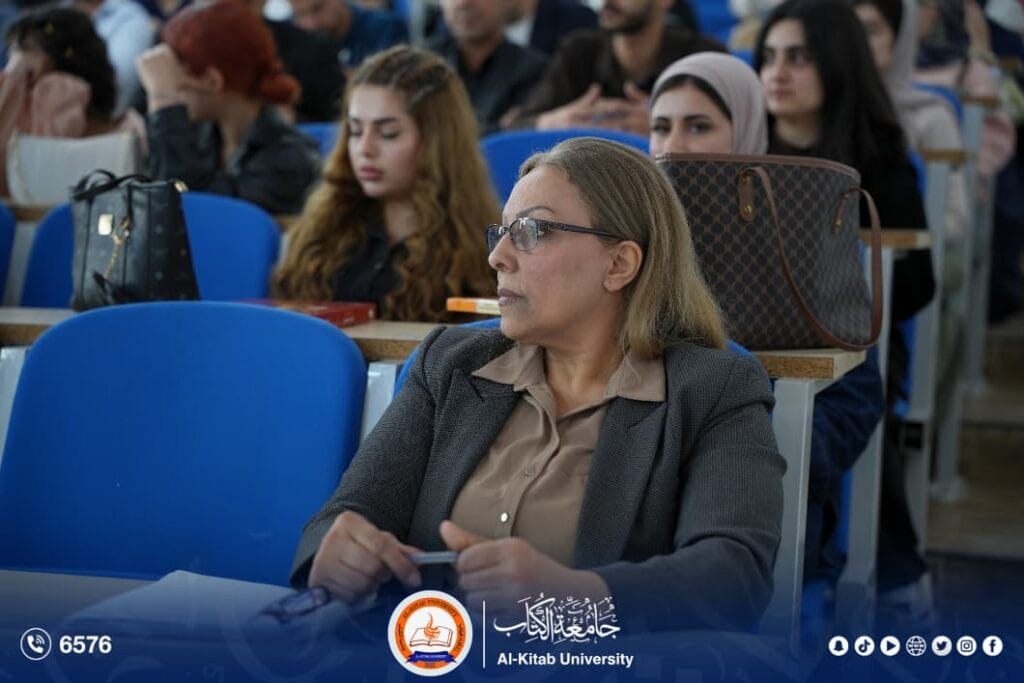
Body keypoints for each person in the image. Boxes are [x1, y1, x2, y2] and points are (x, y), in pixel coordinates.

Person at [290, 136, 785, 632]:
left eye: (531, 231)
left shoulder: (714, 389)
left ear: (619, 264)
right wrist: (334, 555)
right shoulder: (451, 362)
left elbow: (734, 575)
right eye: (502, 232)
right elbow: (349, 513)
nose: (498, 257)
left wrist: (578, 598)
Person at [649, 52, 886, 585]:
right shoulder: (626, 237)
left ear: (748, 130)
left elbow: (856, 396)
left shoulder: (801, 233)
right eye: (660, 127)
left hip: (760, 489)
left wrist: (749, 453)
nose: (672, 146)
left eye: (699, 126)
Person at [755, 0, 936, 624]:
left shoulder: (878, 160)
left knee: (836, 392)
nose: (777, 73)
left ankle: (884, 573)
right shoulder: (741, 157)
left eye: (799, 57)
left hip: (854, 339)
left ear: (836, 63)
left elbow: (918, 286)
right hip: (761, 339)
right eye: (768, 57)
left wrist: (837, 283)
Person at [272, 46, 497, 321]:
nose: (365, 149)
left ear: (437, 142)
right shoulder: (321, 231)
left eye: (388, 133)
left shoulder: (483, 253)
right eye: (355, 131)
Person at [136, 0, 320, 215]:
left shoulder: (287, 162)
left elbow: (196, 215)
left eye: (172, 82)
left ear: (212, 81)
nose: (174, 96)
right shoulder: (207, 136)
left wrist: (163, 99)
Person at [511, 0, 723, 136]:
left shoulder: (702, 57)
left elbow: (732, 133)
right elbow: (517, 126)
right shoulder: (578, 51)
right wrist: (558, 122)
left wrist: (665, 129)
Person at [853, 0, 968, 237]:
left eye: (871, 31)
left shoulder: (930, 118)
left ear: (900, 39)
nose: (857, 42)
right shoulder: (822, 114)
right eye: (849, 30)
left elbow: (955, 218)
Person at [0, 6, 136, 197]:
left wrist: (14, 82)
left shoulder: (58, 90)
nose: (11, 66)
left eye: (23, 50)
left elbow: (42, 173)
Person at [429, 0, 546, 135]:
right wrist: (498, 127)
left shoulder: (534, 69)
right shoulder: (424, 65)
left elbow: (517, 133)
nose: (463, 3)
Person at [287, 0, 407, 72]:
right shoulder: (289, 34)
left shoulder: (385, 28)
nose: (311, 24)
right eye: (299, 14)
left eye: (317, 8)